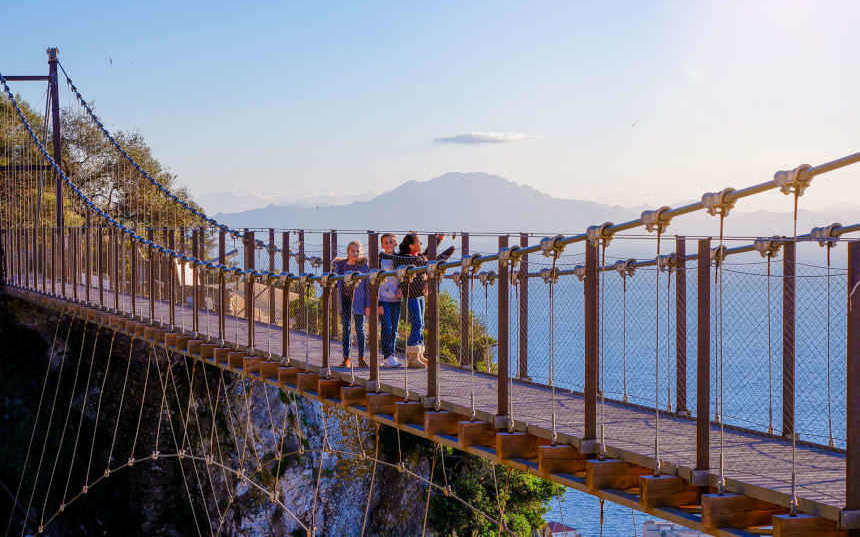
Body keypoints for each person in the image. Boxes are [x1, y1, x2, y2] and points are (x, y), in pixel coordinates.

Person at [393, 233, 455, 368]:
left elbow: (426, 256)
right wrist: (447, 254)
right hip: (412, 295)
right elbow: (428, 260)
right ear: (411, 246)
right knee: (417, 323)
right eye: (419, 242)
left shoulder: (413, 257)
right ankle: (412, 357)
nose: (421, 245)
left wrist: (437, 241)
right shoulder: (405, 259)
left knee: (420, 324)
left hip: (419, 294)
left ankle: (419, 354)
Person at [333, 240, 369, 368]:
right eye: (353, 251)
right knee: (346, 329)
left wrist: (368, 305)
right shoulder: (341, 266)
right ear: (348, 252)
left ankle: (361, 358)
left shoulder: (363, 267)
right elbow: (337, 283)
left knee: (360, 329)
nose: (355, 253)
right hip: (345, 300)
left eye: (357, 251)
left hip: (359, 302)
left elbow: (368, 287)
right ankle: (346, 359)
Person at [378, 233, 403, 368]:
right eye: (386, 243)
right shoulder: (379, 259)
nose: (388, 245)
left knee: (394, 328)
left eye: (391, 242)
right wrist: (377, 303)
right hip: (383, 299)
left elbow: (404, 276)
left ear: (395, 244)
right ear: (382, 245)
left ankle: (391, 355)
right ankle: (387, 356)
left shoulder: (399, 258)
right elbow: (374, 280)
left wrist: (401, 288)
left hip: (396, 299)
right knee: (386, 327)